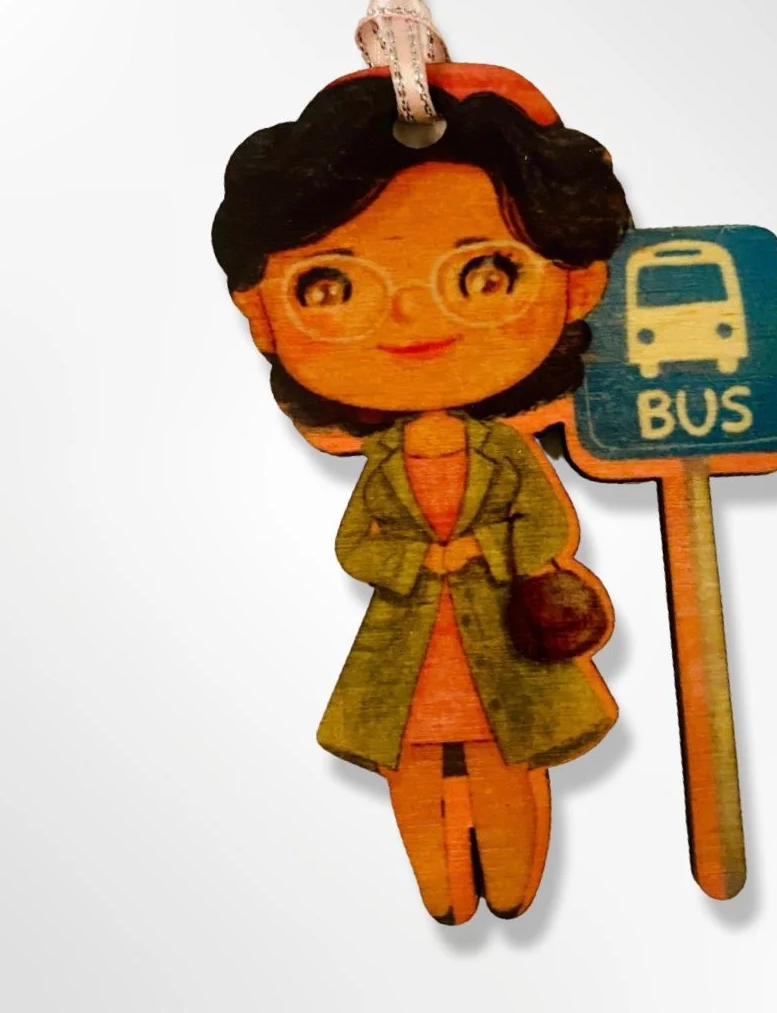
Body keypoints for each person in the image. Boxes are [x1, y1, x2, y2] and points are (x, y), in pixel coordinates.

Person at [212, 64, 631, 923]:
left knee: (508, 752)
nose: (408, 320)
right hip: (408, 640)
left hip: (502, 630)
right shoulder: (381, 460)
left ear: (579, 284)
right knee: (414, 758)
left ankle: (505, 883)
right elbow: (355, 546)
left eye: (486, 275)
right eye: (333, 287)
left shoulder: (504, 450)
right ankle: (444, 886)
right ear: (260, 311)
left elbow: (542, 524)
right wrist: (416, 561)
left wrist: (485, 551)